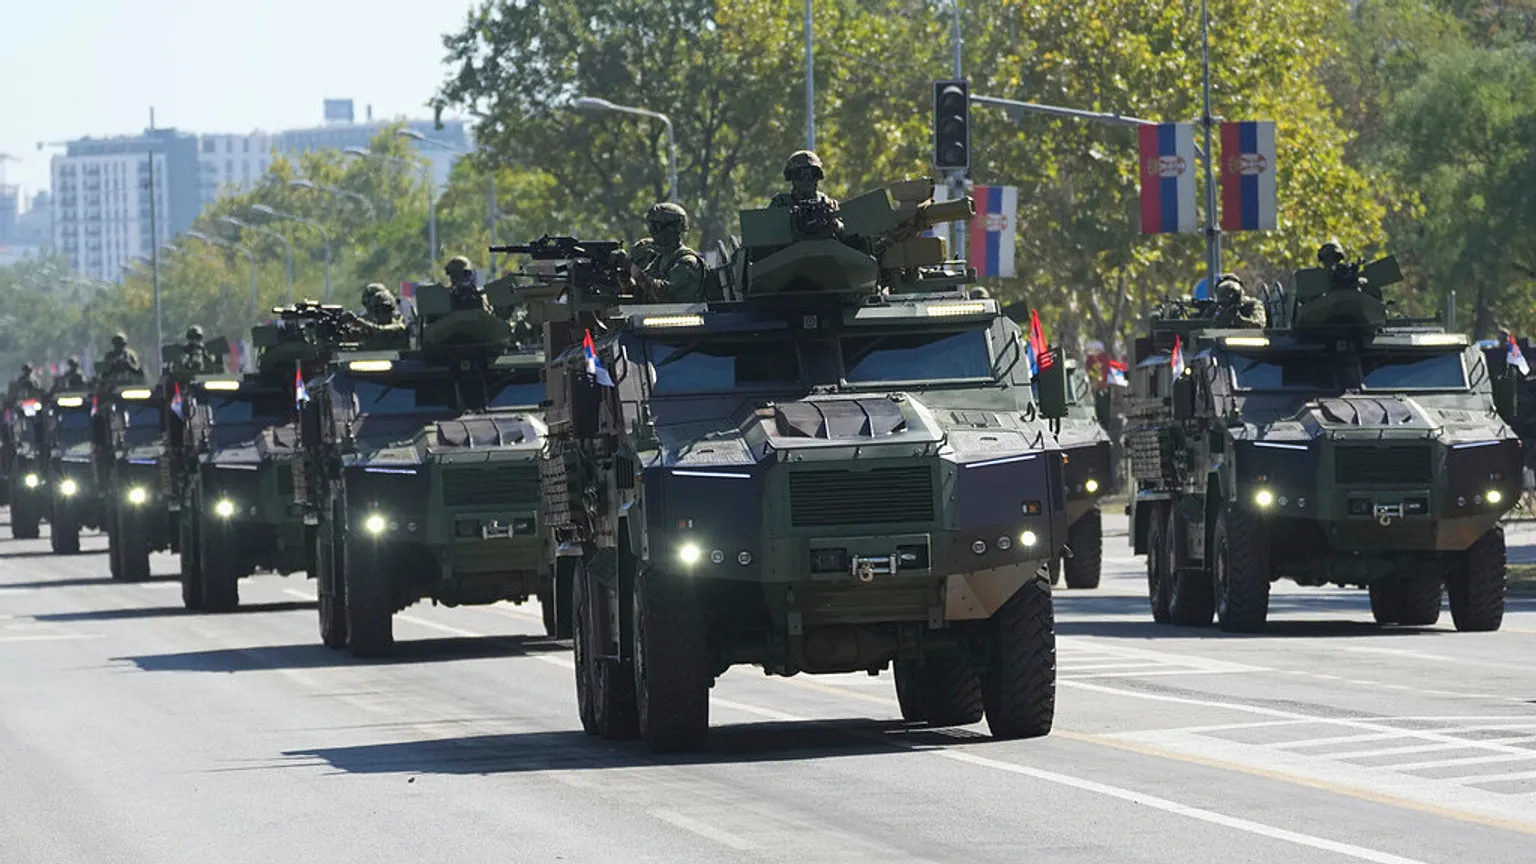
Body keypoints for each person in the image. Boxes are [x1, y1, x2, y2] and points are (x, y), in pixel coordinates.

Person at [633, 203, 707, 304]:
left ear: (673, 229)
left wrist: (638, 274)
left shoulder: (688, 261)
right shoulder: (660, 258)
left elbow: (664, 295)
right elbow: (644, 293)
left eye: (656, 227)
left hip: (684, 317)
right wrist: (625, 280)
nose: (652, 233)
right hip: (658, 316)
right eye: (651, 227)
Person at [351, 283, 409, 349]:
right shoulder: (368, 319)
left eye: (383, 308)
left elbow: (396, 328)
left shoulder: (397, 320)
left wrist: (368, 326)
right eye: (374, 309)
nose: (378, 312)